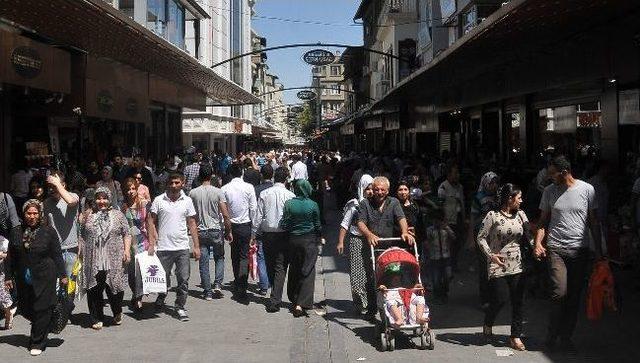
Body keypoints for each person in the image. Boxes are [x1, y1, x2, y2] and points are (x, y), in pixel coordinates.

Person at [534, 155, 603, 352]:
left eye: (552, 175)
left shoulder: (587, 190)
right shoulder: (549, 191)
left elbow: (594, 223)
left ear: (565, 173)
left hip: (579, 250)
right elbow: (542, 222)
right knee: (559, 293)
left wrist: (598, 251)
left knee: (573, 297)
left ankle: (565, 337)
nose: (549, 179)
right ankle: (551, 335)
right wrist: (538, 243)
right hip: (556, 249)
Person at [5, 199, 67, 356]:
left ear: (40, 214)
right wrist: (8, 276)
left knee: (42, 308)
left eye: (35, 213)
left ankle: (37, 341)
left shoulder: (49, 231)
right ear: (24, 214)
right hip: (24, 277)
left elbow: (57, 255)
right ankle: (42, 326)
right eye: (28, 213)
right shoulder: (16, 231)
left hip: (46, 275)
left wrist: (63, 275)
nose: (31, 216)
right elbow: (10, 257)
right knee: (26, 307)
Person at [477, 183, 532, 351]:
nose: (521, 201)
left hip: (517, 264)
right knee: (500, 299)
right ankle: (488, 321)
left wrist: (537, 247)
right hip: (497, 264)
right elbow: (481, 237)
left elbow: (528, 237)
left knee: (518, 301)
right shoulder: (492, 216)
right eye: (519, 198)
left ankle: (515, 336)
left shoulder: (521, 215)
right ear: (510, 198)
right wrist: (490, 255)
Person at [147, 173, 201, 321]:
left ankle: (180, 306)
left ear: (182, 183)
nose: (174, 185)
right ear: (167, 184)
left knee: (183, 279)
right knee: (162, 278)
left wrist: (196, 246)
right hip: (164, 247)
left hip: (182, 247)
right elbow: (151, 221)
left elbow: (192, 223)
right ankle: (161, 296)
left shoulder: (187, 201)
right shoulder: (159, 200)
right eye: (171, 183)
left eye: (177, 182)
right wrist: (152, 243)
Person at [81, 187, 131, 330]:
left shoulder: (118, 215)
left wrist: (127, 250)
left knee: (115, 289)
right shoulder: (88, 215)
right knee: (94, 290)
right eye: (98, 198)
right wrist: (81, 252)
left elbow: (126, 233)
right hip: (94, 259)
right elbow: (82, 234)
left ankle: (117, 311)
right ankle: (96, 317)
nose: (101, 201)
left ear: (110, 199)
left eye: (105, 198)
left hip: (113, 258)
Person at [253, 167, 295, 312]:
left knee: (271, 263)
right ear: (286, 179)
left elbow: (258, 216)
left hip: (268, 235)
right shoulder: (290, 195)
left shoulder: (265, 194)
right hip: (284, 235)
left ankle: (274, 298)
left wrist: (254, 234)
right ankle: (275, 296)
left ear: (274, 178)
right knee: (280, 266)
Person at [189, 165, 231, 300]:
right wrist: (228, 230)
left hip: (200, 230)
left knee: (204, 261)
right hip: (215, 229)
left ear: (199, 176)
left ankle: (207, 292)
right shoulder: (218, 192)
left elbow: (190, 215)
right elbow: (225, 214)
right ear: (212, 175)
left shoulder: (193, 193)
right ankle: (218, 284)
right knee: (219, 257)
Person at [280, 180, 322, 317]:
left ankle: (294, 297)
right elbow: (317, 224)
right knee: (308, 270)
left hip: (293, 240)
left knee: (295, 268)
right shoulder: (313, 205)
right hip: (309, 240)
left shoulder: (289, 204)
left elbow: (285, 222)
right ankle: (301, 303)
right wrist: (320, 238)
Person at [336, 174, 374, 315]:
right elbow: (345, 224)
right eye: (367, 189)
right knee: (358, 273)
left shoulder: (376, 203)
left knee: (372, 273)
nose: (370, 192)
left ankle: (371, 301)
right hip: (357, 240)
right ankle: (360, 302)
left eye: (372, 188)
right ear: (361, 189)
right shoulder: (354, 205)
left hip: (372, 242)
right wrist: (341, 242)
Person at [221, 164, 257, 303]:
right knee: (244, 255)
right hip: (246, 225)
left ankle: (238, 281)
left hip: (232, 225)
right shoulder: (249, 187)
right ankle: (242, 284)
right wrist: (254, 229)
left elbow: (223, 212)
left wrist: (226, 228)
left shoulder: (224, 189)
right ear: (241, 172)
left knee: (234, 254)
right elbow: (253, 208)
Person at [470, 171, 499, 309]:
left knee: (495, 264)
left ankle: (495, 296)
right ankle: (485, 299)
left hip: (496, 236)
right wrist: (471, 237)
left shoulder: (499, 197)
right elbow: (473, 217)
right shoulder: (478, 198)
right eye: (491, 183)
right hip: (482, 235)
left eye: (495, 183)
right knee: (484, 267)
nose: (494, 186)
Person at [42, 171, 80, 278]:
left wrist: (57, 184)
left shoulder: (73, 196)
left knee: (71, 288)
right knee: (55, 288)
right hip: (53, 250)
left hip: (70, 249)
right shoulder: (46, 203)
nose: (51, 189)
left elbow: (70, 201)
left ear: (63, 185)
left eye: (54, 186)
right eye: (50, 186)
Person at [121, 178, 149, 311]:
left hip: (143, 241)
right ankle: (135, 293)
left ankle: (139, 298)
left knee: (140, 271)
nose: (131, 191)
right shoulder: (124, 206)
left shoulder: (144, 204)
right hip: (129, 243)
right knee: (131, 273)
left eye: (133, 189)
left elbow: (150, 223)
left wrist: (154, 242)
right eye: (128, 189)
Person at [379, 263, 429, 328]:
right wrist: (383, 288)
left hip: (407, 297)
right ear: (389, 278)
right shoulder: (388, 288)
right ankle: (399, 319)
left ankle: (419, 317)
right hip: (394, 298)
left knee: (420, 298)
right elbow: (382, 289)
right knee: (391, 302)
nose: (396, 278)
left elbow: (410, 292)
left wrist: (416, 287)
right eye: (393, 276)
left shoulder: (403, 285)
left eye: (398, 276)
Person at [252, 164, 275, 296]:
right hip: (276, 230)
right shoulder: (277, 189)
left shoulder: (256, 189)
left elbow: (255, 212)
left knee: (261, 257)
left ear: (261, 175)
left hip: (261, 228)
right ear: (272, 175)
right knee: (273, 257)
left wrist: (253, 232)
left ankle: (264, 285)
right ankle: (272, 283)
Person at [437, 164, 466, 271]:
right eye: (455, 173)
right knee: (448, 245)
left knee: (458, 243)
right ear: (449, 174)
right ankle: (447, 267)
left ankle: (454, 264)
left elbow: (462, 203)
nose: (457, 175)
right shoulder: (443, 187)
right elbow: (440, 205)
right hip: (448, 220)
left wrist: (464, 218)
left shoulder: (460, 187)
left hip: (458, 218)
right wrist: (443, 221)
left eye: (458, 173)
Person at [423, 210, 455, 303]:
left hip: (446, 256)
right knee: (436, 278)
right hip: (434, 257)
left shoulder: (446, 229)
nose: (437, 223)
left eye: (439, 220)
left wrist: (447, 229)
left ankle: (444, 293)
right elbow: (426, 243)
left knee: (447, 276)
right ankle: (437, 296)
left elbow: (454, 237)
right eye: (435, 221)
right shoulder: (429, 230)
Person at [1, 235, 13, 329]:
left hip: (1, 273)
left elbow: (9, 255)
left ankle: (8, 316)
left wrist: (2, 255)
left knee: (3, 296)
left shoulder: (3, 240)